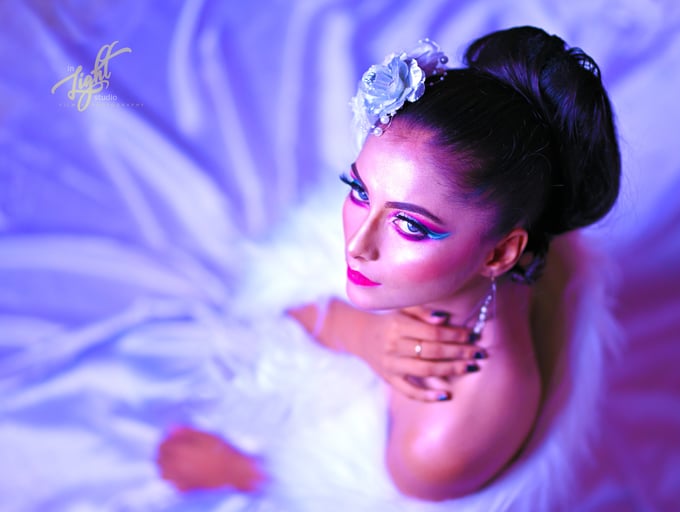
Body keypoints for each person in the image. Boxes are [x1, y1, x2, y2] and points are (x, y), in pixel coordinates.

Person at [157, 25, 621, 502]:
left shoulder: (439, 445)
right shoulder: (502, 238)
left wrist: (244, 471)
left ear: (501, 254)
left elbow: (332, 497)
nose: (358, 244)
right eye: (360, 191)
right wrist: (365, 334)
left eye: (411, 226)